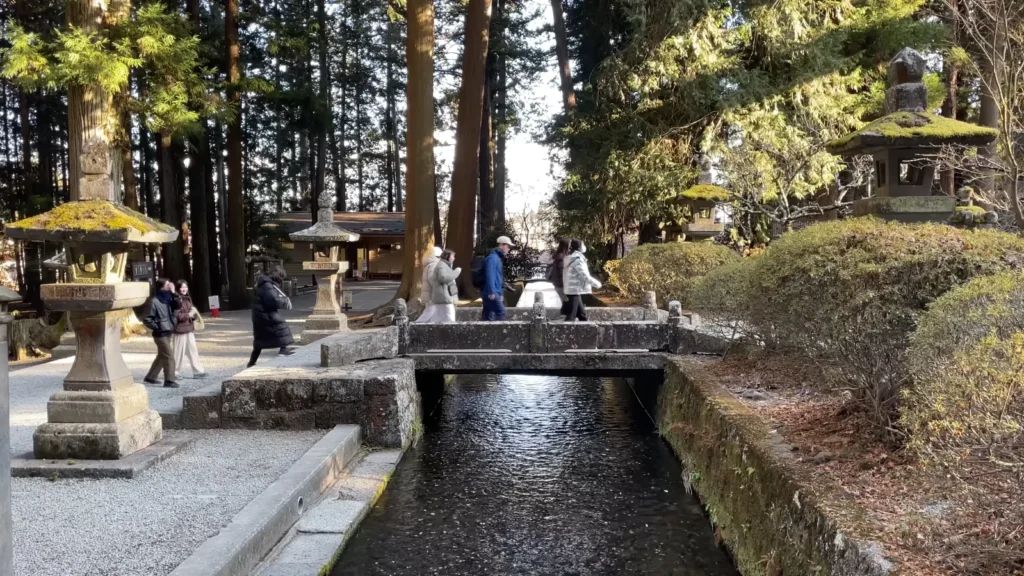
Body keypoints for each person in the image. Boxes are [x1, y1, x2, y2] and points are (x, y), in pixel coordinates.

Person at [248, 268, 296, 368]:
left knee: (260, 337)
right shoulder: (268, 285)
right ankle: (283, 350)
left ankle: (252, 361)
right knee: (282, 326)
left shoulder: (264, 283)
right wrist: (284, 302)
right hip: (265, 313)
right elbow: (272, 300)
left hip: (259, 313)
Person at [143, 278, 180, 388]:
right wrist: (158, 327)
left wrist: (174, 292)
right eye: (168, 284)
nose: (170, 285)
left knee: (162, 355)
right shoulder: (154, 301)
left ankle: (151, 377)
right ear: (162, 287)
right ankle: (169, 380)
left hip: (168, 331)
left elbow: (179, 305)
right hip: (160, 334)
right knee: (169, 356)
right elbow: (147, 319)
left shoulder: (169, 298)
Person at [172, 280, 208, 379]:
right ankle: (173, 373)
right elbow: (176, 316)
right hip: (179, 331)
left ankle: (198, 371)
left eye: (185, 287)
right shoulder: (176, 300)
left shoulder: (187, 299)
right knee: (178, 353)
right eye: (182, 287)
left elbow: (189, 314)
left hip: (188, 329)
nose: (184, 289)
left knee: (193, 351)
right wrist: (189, 314)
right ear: (178, 288)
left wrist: (193, 314)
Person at [563, 239, 602, 322]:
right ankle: (563, 330)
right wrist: (598, 284)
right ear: (579, 247)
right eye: (583, 245)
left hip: (573, 290)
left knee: (582, 316)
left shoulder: (571, 257)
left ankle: (586, 328)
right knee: (571, 317)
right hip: (574, 290)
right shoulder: (577, 260)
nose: (584, 247)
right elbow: (585, 276)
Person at [482, 236, 514, 321]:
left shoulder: (496, 258)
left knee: (488, 316)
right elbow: (490, 275)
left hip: (493, 292)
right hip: (491, 293)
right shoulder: (493, 258)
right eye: (508, 246)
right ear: (501, 245)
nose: (508, 249)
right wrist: (492, 292)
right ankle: (496, 330)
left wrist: (500, 294)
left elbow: (498, 278)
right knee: (501, 312)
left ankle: (489, 329)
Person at [424, 249, 461, 323]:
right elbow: (443, 278)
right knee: (449, 318)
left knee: (437, 318)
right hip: (444, 297)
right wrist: (456, 272)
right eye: (452, 256)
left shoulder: (444, 265)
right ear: (447, 256)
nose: (454, 258)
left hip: (444, 296)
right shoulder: (441, 265)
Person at [414, 246, 444, 323]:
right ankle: (416, 325)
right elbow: (432, 278)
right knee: (430, 311)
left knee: (433, 311)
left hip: (429, 293)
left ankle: (430, 326)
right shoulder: (434, 264)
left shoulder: (430, 264)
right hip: (432, 293)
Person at [547, 238, 571, 320]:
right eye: (569, 244)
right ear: (566, 245)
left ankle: (564, 315)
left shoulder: (559, 255)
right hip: (561, 284)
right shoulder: (562, 257)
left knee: (565, 301)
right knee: (567, 301)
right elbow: (561, 272)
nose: (570, 247)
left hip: (557, 283)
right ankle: (566, 317)